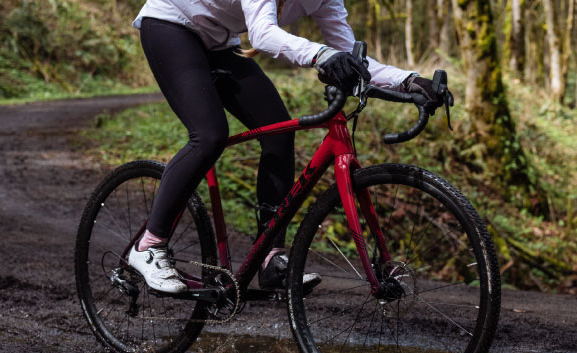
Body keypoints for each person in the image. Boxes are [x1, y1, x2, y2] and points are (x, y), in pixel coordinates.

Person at [128, 0, 443, 294]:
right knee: (209, 135)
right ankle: (149, 245)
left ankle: (271, 259)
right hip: (172, 25)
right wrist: (321, 55)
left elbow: (349, 54)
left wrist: (410, 81)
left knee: (279, 132)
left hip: (221, 43)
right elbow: (262, 34)